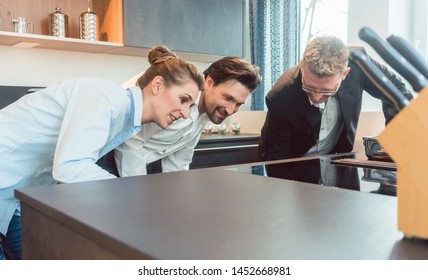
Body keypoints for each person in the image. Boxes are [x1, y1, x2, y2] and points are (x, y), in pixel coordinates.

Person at [0, 45, 205, 260]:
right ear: (158, 85)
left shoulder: (124, 119)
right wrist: (133, 199)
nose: (184, 113)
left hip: (12, 195)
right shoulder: (106, 97)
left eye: (190, 106)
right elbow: (70, 167)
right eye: (183, 99)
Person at [257, 35, 413, 162]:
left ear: (345, 74)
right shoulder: (280, 96)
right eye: (309, 88)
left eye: (327, 91)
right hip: (295, 165)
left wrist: (394, 142)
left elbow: (397, 94)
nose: (317, 97)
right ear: (303, 66)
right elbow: (276, 161)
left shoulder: (359, 63)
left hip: (337, 162)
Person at [114, 56, 261, 176]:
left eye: (238, 104)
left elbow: (179, 160)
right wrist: (137, 193)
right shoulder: (173, 96)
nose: (230, 111)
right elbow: (131, 141)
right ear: (209, 83)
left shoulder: (205, 112)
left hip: (135, 166)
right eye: (228, 98)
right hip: (112, 159)